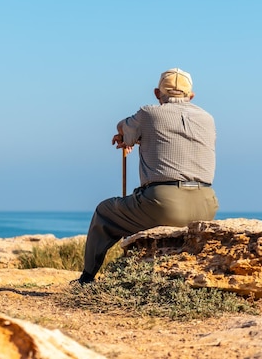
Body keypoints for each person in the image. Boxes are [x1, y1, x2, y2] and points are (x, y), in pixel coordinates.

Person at [77, 68, 219, 284]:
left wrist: (128, 138)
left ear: (156, 93)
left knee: (104, 213)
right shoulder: (208, 118)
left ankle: (87, 278)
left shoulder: (149, 113)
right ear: (191, 96)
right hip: (207, 205)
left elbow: (122, 128)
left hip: (164, 203)